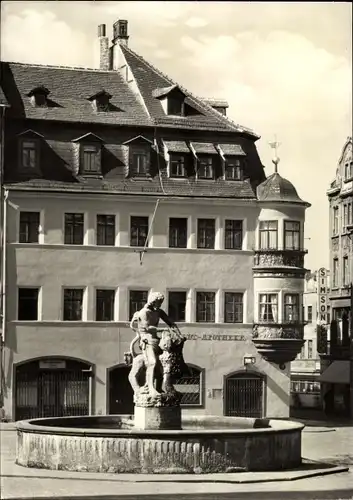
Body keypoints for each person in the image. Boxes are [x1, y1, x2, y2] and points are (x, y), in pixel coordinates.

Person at [129, 292, 182, 398]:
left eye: (161, 303)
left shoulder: (158, 312)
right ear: (153, 301)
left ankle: (158, 387)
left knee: (163, 363)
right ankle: (151, 388)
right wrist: (164, 329)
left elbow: (171, 322)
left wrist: (179, 334)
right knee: (152, 362)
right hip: (147, 340)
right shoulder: (144, 312)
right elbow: (148, 328)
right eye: (158, 302)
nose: (160, 305)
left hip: (156, 340)